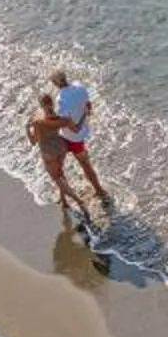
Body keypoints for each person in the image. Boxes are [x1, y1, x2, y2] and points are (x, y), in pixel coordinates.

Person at [24, 88, 86, 227]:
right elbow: (77, 129)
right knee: (60, 172)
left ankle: (77, 199)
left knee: (56, 177)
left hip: (48, 152)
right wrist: (84, 115)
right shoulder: (60, 119)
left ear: (41, 106)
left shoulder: (37, 122)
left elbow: (33, 142)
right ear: (52, 103)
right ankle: (63, 199)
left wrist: (27, 129)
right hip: (61, 147)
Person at [50, 67, 110, 209]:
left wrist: (81, 117)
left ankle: (63, 198)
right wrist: (85, 114)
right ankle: (99, 191)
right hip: (79, 138)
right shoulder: (79, 86)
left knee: (59, 168)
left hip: (66, 137)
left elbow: (68, 124)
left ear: (55, 83)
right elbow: (88, 105)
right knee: (86, 165)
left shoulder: (60, 100)